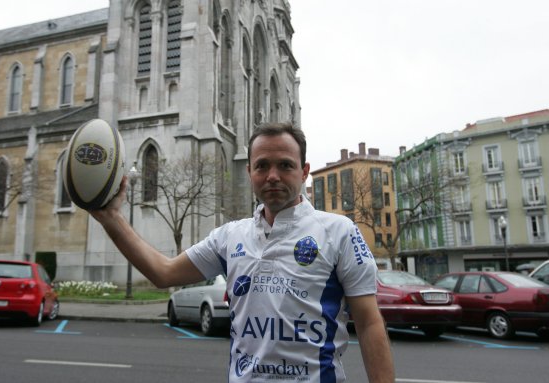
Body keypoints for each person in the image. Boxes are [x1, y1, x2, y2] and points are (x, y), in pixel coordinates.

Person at [90, 122, 395, 382]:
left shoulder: (339, 232)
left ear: (304, 172)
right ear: (250, 172)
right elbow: (164, 272)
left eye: (285, 165)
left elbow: (368, 323)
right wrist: (111, 218)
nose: (272, 175)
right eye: (262, 166)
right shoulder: (229, 236)